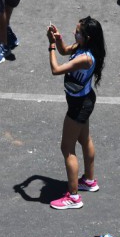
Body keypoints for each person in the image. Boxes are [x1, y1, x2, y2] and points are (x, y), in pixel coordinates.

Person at [45, 16, 107, 211]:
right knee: (84, 139)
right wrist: (57, 39)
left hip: (79, 106)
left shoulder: (85, 58)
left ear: (87, 37)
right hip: (84, 101)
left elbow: (56, 69)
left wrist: (50, 47)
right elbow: (65, 50)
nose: (75, 32)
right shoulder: (82, 48)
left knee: (67, 149)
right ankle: (89, 180)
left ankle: (73, 197)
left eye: (78, 31)